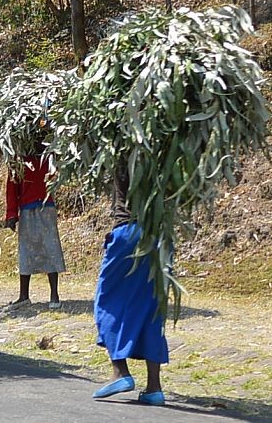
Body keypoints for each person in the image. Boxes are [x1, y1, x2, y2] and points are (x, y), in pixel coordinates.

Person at [92, 168, 168, 405]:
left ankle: (120, 372)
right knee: (150, 308)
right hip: (160, 237)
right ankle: (154, 388)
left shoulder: (125, 146)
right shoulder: (166, 153)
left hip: (129, 232)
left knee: (107, 302)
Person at [2, 144, 65, 310]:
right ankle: (24, 296)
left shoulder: (49, 155)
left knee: (50, 246)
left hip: (47, 206)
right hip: (26, 208)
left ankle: (54, 294)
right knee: (26, 250)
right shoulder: (18, 159)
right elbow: (12, 186)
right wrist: (11, 215)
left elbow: (56, 173)